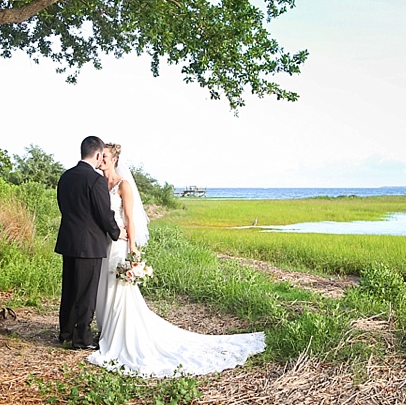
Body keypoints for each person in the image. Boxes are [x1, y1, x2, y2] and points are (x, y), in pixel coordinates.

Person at [88, 143, 266, 377]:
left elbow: (130, 219)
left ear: (114, 160)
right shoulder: (99, 183)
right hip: (103, 243)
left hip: (119, 245)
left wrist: (133, 251)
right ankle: (106, 331)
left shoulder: (124, 185)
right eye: (99, 157)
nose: (100, 160)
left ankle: (120, 336)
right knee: (104, 287)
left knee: (118, 288)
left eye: (105, 157)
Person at [55, 136, 122, 350]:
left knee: (70, 289)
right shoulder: (95, 180)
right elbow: (103, 213)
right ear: (97, 155)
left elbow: (64, 207)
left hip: (68, 240)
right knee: (86, 292)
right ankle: (82, 337)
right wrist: (115, 232)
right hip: (89, 243)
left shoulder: (65, 177)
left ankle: (65, 332)